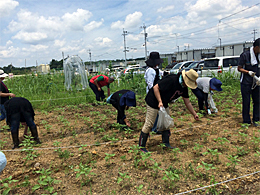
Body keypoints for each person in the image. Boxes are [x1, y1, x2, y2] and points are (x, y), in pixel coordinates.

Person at [139, 69, 200, 152]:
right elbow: (155, 87)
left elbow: (187, 102)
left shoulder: (184, 87)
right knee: (149, 123)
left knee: (166, 122)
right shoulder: (172, 79)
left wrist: (194, 114)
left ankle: (166, 144)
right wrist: (159, 101)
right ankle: (141, 147)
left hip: (164, 102)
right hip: (153, 100)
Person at [238, 38, 260, 126]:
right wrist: (248, 72)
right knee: (246, 102)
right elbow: (239, 68)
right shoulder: (245, 55)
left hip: (256, 82)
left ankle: (256, 119)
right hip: (246, 82)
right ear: (257, 47)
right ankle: (246, 121)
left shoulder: (259, 56)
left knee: (257, 101)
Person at [144, 52, 164, 134]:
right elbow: (150, 84)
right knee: (153, 113)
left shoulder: (156, 70)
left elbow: (162, 74)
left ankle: (155, 128)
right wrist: (154, 94)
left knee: (157, 112)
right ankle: (152, 129)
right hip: (152, 94)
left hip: (156, 93)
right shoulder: (150, 71)